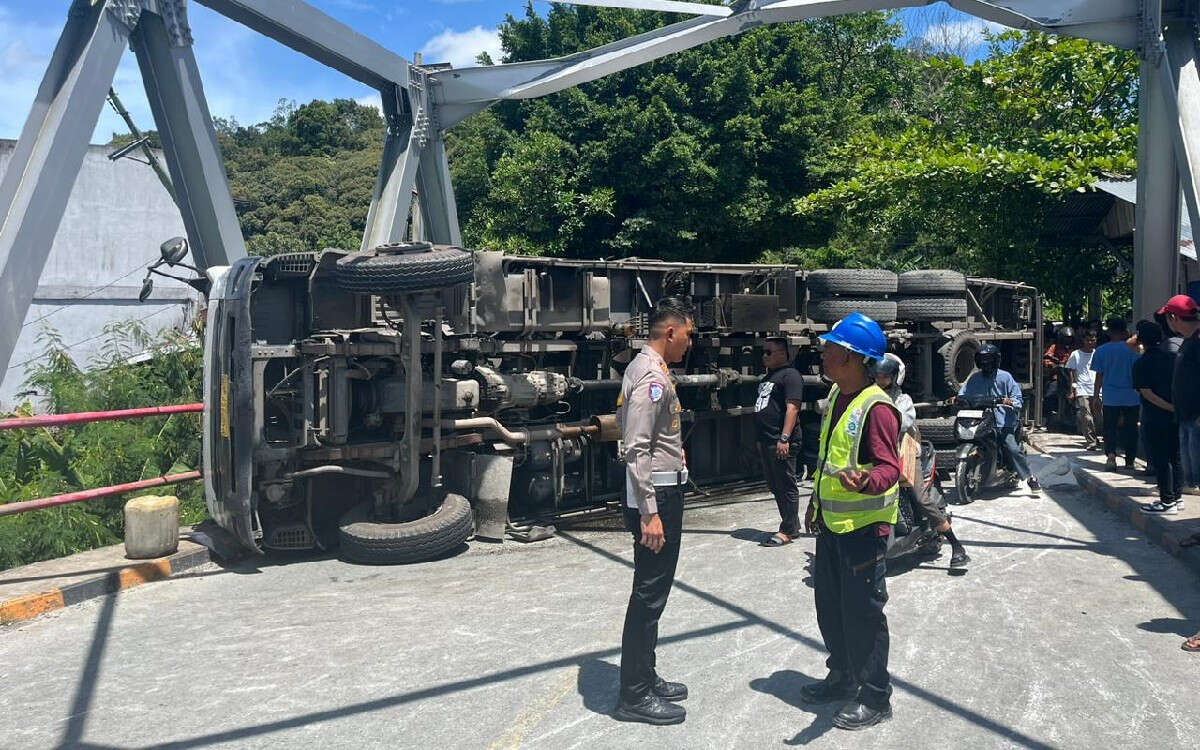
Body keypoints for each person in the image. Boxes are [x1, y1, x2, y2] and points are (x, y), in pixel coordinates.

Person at [799, 312, 900, 731]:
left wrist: (865, 483)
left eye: (830, 347)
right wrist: (815, 504)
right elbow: (829, 462)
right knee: (831, 607)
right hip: (834, 527)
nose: (823, 352)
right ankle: (842, 675)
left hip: (863, 531)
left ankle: (876, 697)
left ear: (852, 356)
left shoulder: (876, 408)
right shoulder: (837, 398)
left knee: (863, 614)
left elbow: (890, 469)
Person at [613, 299, 694, 725]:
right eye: (688, 334)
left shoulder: (649, 370)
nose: (689, 342)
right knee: (648, 594)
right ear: (670, 333)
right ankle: (635, 695)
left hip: (662, 491)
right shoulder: (650, 376)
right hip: (656, 499)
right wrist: (650, 513)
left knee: (653, 594)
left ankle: (645, 674)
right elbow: (636, 446)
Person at [875, 353, 969, 567]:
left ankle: (956, 545)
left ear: (894, 377)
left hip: (904, 452)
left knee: (919, 496)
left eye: (885, 376)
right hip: (878, 454)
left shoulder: (902, 400)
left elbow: (902, 423)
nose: (881, 380)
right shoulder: (868, 395)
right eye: (877, 375)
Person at [957, 344, 1041, 493]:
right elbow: (963, 394)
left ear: (995, 360)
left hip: (1003, 422)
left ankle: (1030, 477)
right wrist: (957, 399)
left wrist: (1011, 402)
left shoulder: (1005, 377)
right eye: (982, 359)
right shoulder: (974, 378)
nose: (985, 363)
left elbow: (1017, 398)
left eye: (988, 359)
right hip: (980, 420)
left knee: (1011, 447)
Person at [755, 338, 805, 547]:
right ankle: (790, 523)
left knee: (786, 484)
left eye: (769, 351)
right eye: (763, 351)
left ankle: (789, 530)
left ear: (783, 353)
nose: (764, 355)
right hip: (767, 439)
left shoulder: (790, 376)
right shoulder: (770, 376)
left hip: (781, 440)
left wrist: (784, 437)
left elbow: (792, 408)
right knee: (775, 484)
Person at [1133, 320, 1183, 514]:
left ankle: (1167, 501)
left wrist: (1169, 407)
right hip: (1176, 417)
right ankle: (1177, 498)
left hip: (1155, 418)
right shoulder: (1173, 358)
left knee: (1161, 460)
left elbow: (1146, 393)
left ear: (1140, 340)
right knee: (1175, 457)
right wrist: (1177, 408)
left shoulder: (1141, 363)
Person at [1091, 318, 1141, 471]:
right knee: (1131, 428)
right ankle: (1130, 461)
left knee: (1110, 427)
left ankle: (1111, 456)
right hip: (1132, 396)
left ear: (1109, 331)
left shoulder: (1101, 350)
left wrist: (1095, 396)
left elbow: (1099, 375)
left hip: (1110, 396)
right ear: (1125, 330)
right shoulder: (1134, 350)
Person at [1164, 295, 1200, 496]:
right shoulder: (1188, 341)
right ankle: (1191, 484)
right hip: (1185, 412)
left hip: (1196, 413)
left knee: (1195, 451)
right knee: (1187, 451)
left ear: (1173, 317)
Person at [1065, 329, 1102, 450]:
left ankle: (1096, 438)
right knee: (1086, 416)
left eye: (1093, 340)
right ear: (1083, 341)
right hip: (1082, 388)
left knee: (1098, 416)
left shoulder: (1098, 354)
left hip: (1096, 389)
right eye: (1088, 340)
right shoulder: (1076, 354)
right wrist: (1072, 389)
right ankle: (1091, 441)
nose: (1091, 342)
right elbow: (1071, 371)